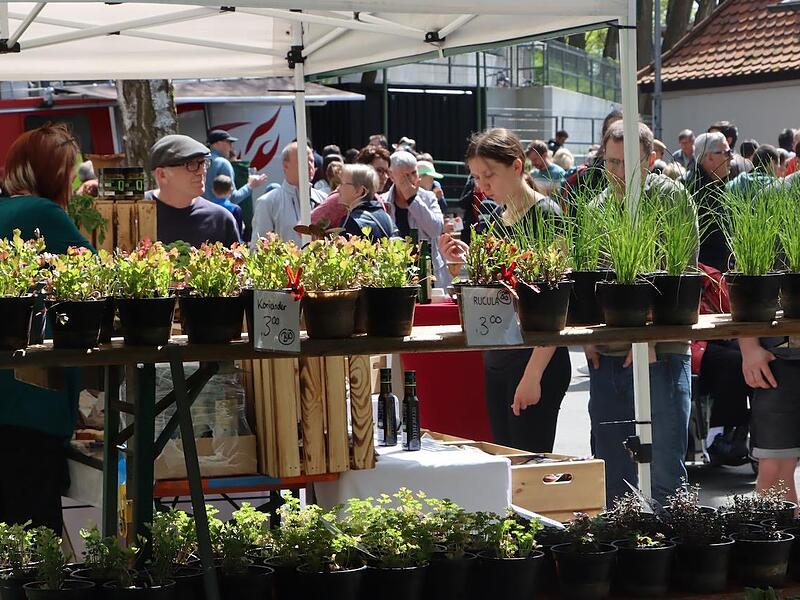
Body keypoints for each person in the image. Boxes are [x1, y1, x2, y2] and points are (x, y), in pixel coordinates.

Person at [438, 128, 571, 453]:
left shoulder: (546, 215)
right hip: (500, 356)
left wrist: (533, 374)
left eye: (489, 175)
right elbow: (497, 286)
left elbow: (557, 303)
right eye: (476, 177)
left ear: (517, 166)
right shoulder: (498, 218)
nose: (482, 186)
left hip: (533, 360)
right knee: (506, 464)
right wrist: (463, 263)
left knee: (527, 467)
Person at [582, 121, 693, 506]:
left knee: (663, 477)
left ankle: (672, 544)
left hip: (661, 351)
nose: (617, 172)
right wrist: (588, 334)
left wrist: (647, 335)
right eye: (610, 162)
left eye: (626, 163)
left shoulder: (671, 198)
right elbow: (590, 278)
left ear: (650, 159)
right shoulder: (597, 207)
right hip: (609, 352)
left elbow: (683, 274)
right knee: (615, 478)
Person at [0, 123, 93, 533]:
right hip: (26, 402)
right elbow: (96, 275)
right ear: (53, 175)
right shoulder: (42, 213)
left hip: (11, 396)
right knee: (35, 537)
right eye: (68, 175)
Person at [738, 334, 800, 504]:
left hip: (779, 352)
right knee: (775, 472)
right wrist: (749, 346)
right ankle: (781, 521)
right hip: (779, 352)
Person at [149, 135, 240, 247]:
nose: (202, 172)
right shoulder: (135, 212)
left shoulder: (221, 220)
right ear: (162, 175)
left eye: (203, 163)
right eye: (191, 165)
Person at [382, 150, 445, 286]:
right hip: (396, 275)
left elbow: (436, 230)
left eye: (414, 173)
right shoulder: (383, 202)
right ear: (391, 176)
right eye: (405, 176)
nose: (411, 179)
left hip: (427, 274)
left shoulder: (428, 197)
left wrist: (413, 200)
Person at [250, 141, 326, 246]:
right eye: (303, 161)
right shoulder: (267, 203)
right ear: (286, 166)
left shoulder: (324, 199)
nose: (309, 165)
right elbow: (258, 248)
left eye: (311, 161)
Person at [310, 144, 391, 228]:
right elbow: (308, 225)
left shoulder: (379, 201)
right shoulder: (339, 199)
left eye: (387, 172)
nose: (385, 176)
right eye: (379, 170)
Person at [684, 131, 732, 273]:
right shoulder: (690, 187)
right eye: (726, 153)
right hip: (701, 277)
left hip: (717, 275)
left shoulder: (718, 185)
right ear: (709, 157)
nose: (731, 157)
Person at [203, 129, 267, 205]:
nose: (231, 147)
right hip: (219, 211)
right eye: (229, 143)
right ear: (218, 143)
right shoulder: (223, 163)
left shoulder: (201, 161)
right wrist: (250, 185)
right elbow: (233, 198)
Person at [341, 164, 398, 241]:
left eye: (342, 184)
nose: (338, 188)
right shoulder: (386, 216)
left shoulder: (352, 221)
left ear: (360, 191)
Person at [210, 175, 244, 239]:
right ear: (231, 190)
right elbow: (238, 232)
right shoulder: (235, 209)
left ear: (213, 190)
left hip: (211, 243)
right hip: (229, 243)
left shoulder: (207, 207)